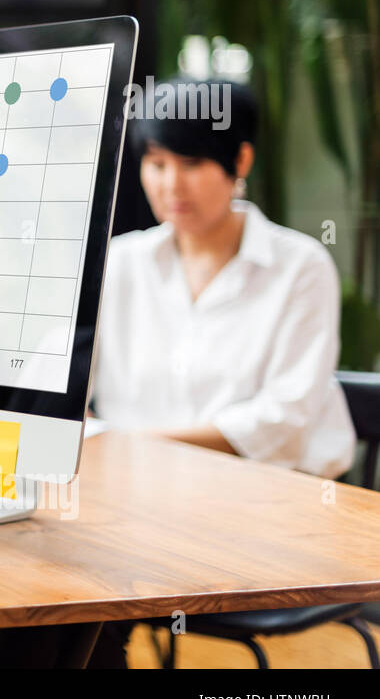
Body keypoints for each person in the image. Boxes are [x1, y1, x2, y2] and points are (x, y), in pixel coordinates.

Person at [92, 78, 356, 479]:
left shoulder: (301, 267)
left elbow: (282, 422)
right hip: (133, 489)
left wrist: (132, 447)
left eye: (192, 163)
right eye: (157, 163)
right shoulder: (119, 262)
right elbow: (59, 385)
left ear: (242, 161)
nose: (171, 185)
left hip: (270, 499)